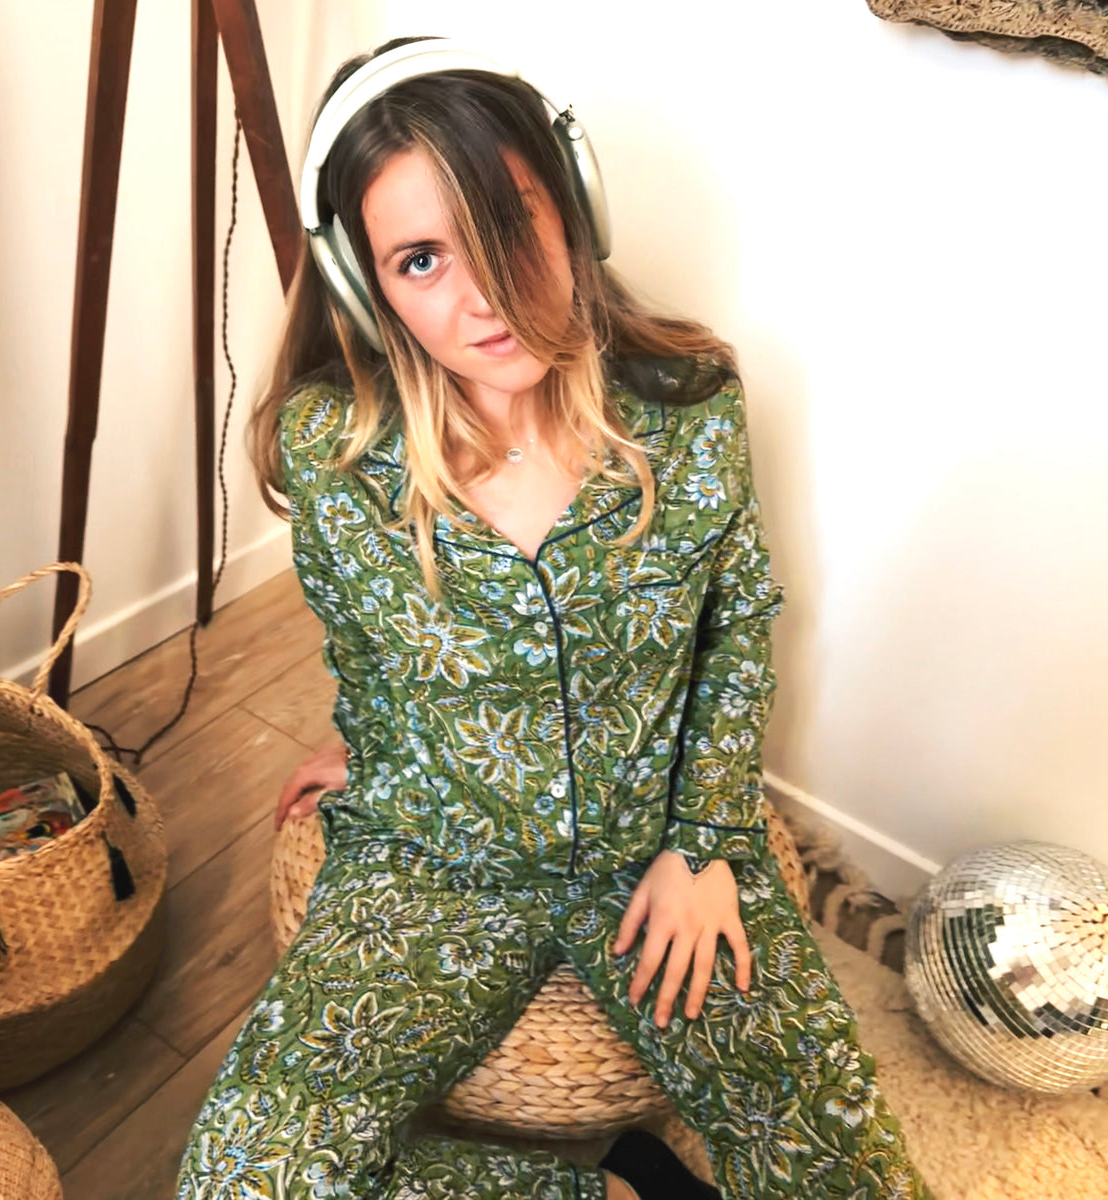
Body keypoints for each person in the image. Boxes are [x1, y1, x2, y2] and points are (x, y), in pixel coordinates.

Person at [177, 36, 930, 1200]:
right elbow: (364, 648)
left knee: (848, 1174)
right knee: (238, 1181)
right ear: (364, 287)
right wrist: (376, 751)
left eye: (507, 225)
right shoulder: (333, 451)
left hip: (652, 843)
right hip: (430, 858)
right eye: (420, 260)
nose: (480, 295)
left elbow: (736, 624)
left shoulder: (690, 408)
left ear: (577, 207)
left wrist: (706, 846)